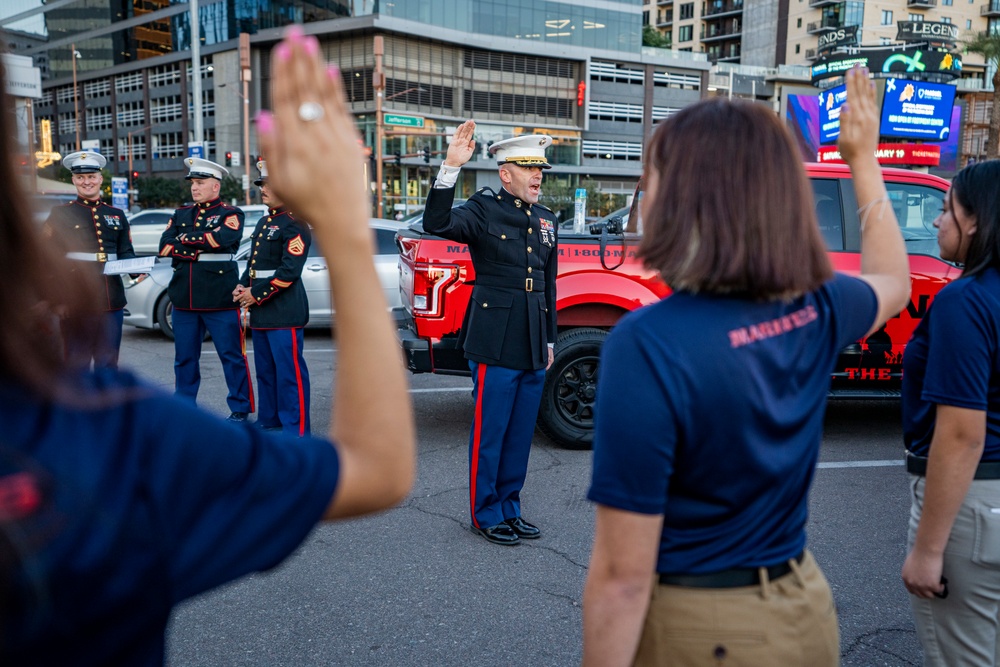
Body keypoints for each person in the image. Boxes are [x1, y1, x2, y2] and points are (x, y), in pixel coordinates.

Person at [0, 26, 414, 665]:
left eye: (200, 184)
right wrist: (345, 222)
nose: (194, 191)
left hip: (235, 304)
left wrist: (239, 273)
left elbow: (217, 253)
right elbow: (378, 471)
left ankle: (264, 424)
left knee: (264, 373)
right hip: (202, 304)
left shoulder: (232, 219)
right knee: (192, 368)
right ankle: (248, 426)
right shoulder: (108, 430)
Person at [581, 66, 911, 666]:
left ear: (687, 196)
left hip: (702, 626)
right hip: (804, 604)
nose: (642, 193)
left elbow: (622, 577)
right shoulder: (817, 306)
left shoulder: (649, 341)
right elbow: (893, 280)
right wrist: (863, 160)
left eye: (650, 177)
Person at [423, 124, 557, 546]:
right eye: (528, 168)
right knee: (491, 431)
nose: (538, 177)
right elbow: (436, 223)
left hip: (534, 335)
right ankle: (485, 513)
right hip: (495, 336)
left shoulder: (546, 218)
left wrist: (550, 340)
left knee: (519, 433)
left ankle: (510, 507)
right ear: (506, 173)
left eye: (541, 170)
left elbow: (549, 286)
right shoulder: (484, 209)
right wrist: (450, 168)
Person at [901, 159, 1000, 666]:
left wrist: (928, 549)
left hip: (975, 505)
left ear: (977, 219)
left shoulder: (965, 299)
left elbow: (961, 435)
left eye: (946, 209)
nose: (938, 222)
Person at [158, 156, 254, 422]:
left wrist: (185, 239)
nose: (194, 187)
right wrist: (199, 245)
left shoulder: (231, 213)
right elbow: (165, 246)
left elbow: (224, 238)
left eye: (200, 182)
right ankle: (185, 406)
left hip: (219, 297)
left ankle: (240, 407)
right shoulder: (181, 213)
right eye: (193, 183)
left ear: (216, 186)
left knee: (231, 356)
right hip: (184, 298)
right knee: (184, 359)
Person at [234, 159, 313, 436]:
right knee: (266, 371)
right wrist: (242, 286)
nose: (263, 189)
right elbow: (254, 265)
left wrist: (255, 295)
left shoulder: (295, 224)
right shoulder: (265, 220)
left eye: (268, 184)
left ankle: (297, 428)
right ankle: (269, 420)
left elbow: (289, 271)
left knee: (289, 374)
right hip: (262, 310)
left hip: (283, 309)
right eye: (262, 184)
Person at [43, 151, 137, 369]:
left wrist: (136, 269)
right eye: (81, 177)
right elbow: (48, 260)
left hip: (110, 299)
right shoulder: (60, 214)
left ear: (101, 178)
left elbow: (125, 251)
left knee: (109, 361)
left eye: (92, 176)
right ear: (74, 180)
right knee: (77, 362)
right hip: (76, 300)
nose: (87, 182)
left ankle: (107, 404)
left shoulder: (116, 214)